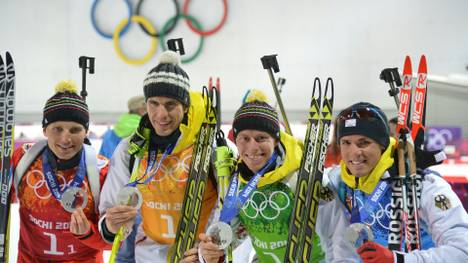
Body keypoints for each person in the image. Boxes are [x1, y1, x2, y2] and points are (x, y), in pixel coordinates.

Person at [98, 51, 218, 262]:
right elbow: (109, 210)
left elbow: (229, 211)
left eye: (171, 105)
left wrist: (210, 248)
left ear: (186, 107)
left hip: (195, 255)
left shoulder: (209, 147)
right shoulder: (131, 148)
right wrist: (110, 224)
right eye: (153, 103)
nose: (161, 114)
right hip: (148, 254)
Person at [316, 102, 468, 262]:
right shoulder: (336, 180)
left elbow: (463, 250)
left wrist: (398, 260)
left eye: (364, 143)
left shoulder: (421, 183)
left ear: (382, 145)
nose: (354, 152)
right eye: (346, 142)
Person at [199, 100, 325, 262]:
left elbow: (334, 231)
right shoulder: (235, 183)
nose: (252, 147)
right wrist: (211, 252)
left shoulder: (302, 173)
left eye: (261, 138)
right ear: (236, 141)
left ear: (276, 140)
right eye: (244, 138)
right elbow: (236, 236)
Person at [11, 80, 110, 262]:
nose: (65, 139)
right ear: (44, 129)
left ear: (86, 131)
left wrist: (88, 234)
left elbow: (114, 242)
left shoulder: (101, 170)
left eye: (75, 130)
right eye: (57, 129)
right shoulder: (23, 159)